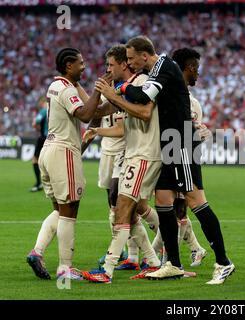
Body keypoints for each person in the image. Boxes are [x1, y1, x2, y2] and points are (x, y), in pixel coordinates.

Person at [114, 36, 234, 284]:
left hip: (181, 143)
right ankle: (173, 264)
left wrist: (120, 87)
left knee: (195, 199)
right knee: (163, 199)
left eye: (131, 58)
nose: (129, 62)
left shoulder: (163, 67)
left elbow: (141, 96)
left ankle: (223, 262)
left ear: (144, 55)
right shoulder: (160, 69)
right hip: (170, 143)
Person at [82, 41, 163, 283]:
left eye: (111, 65)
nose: (108, 70)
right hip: (134, 154)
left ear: (125, 64)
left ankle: (107, 270)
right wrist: (97, 92)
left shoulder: (142, 83)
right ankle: (152, 262)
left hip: (144, 154)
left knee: (124, 208)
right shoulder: (124, 86)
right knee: (125, 209)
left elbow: (145, 113)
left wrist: (111, 94)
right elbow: (99, 112)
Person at [26, 48, 105, 280]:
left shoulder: (54, 86)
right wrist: (99, 92)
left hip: (48, 151)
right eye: (80, 63)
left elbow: (94, 112)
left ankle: (37, 252)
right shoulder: (65, 88)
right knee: (70, 210)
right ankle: (65, 268)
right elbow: (86, 115)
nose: (84, 66)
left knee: (59, 210)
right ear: (69, 65)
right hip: (63, 153)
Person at [151, 48, 210, 267]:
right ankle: (189, 251)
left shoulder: (193, 103)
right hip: (165, 154)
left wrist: (200, 134)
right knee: (166, 205)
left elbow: (194, 130)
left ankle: (159, 257)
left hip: (184, 155)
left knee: (180, 208)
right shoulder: (163, 94)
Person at [29, 96, 48, 192]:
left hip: (43, 138)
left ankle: (38, 184)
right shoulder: (54, 109)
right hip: (53, 139)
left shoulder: (43, 111)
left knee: (35, 159)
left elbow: (35, 123)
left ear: (43, 101)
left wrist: (38, 128)